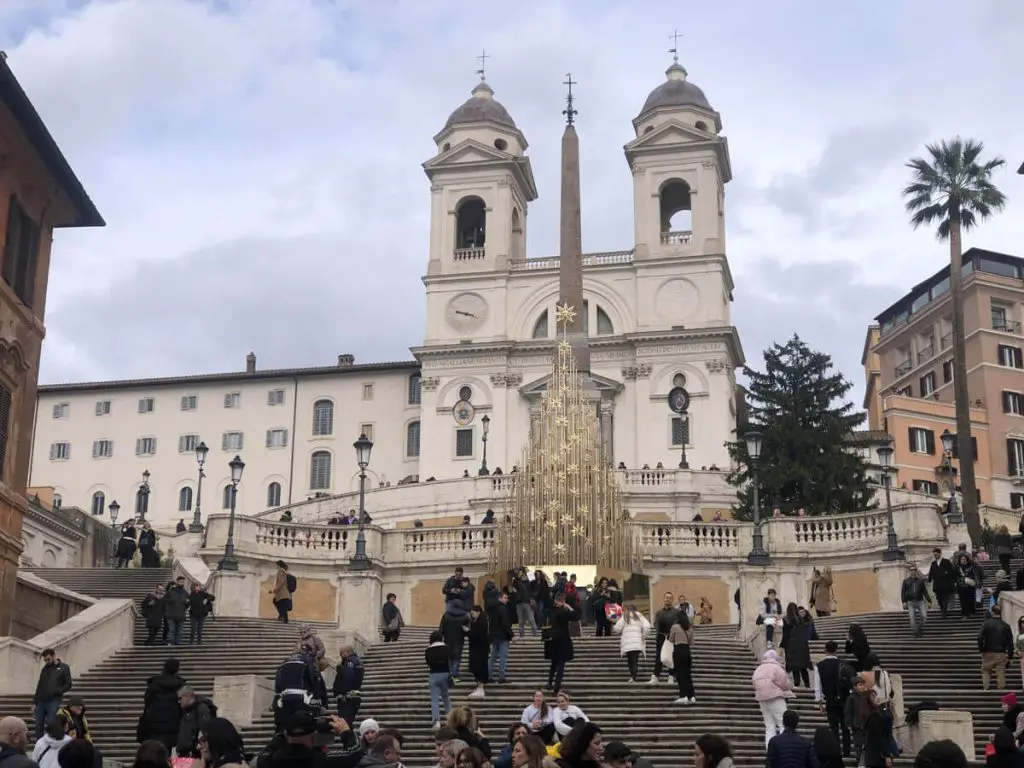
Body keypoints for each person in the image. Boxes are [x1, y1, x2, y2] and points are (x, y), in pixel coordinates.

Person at [260, 711, 364, 768]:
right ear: (314, 735)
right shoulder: (322, 762)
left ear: (286, 734)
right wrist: (345, 731)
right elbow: (354, 752)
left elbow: (267, 751)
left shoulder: (268, 761)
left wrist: (287, 735)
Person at [272, 643, 322, 733]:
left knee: (286, 723)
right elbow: (312, 678)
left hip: (286, 697)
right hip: (302, 697)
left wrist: (278, 696)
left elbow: (278, 681)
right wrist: (316, 696)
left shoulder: (285, 662)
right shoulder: (307, 661)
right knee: (303, 722)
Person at [138, 658, 184, 751]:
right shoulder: (180, 686)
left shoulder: (153, 685)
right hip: (173, 726)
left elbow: (147, 702)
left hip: (154, 726)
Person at [753, 649, 796, 749]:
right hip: (776, 697)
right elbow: (785, 684)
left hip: (762, 698)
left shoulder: (759, 669)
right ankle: (783, 748)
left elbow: (754, 682)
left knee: (769, 726)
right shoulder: (776, 668)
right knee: (783, 724)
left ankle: (770, 750)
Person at [816, 641, 851, 757]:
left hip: (830, 700)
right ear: (836, 650)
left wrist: (820, 703)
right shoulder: (842, 664)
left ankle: (836, 751)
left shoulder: (820, 666)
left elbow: (818, 686)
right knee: (845, 726)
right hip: (844, 700)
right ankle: (847, 751)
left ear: (825, 650)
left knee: (834, 727)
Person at [33, 650, 72, 741]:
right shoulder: (45, 669)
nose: (47, 662)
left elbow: (68, 684)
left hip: (53, 700)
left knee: (51, 723)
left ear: (54, 656)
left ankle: (51, 741)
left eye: (48, 659)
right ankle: (39, 743)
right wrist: (34, 702)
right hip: (41, 701)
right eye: (45, 660)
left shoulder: (64, 668)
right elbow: (40, 685)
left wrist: (57, 691)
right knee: (38, 724)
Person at [544, 593, 578, 694]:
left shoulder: (550, 610)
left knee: (554, 664)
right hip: (562, 641)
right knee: (561, 665)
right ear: (563, 601)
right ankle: (557, 686)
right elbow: (576, 616)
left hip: (551, 641)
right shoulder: (563, 611)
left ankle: (550, 682)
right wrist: (569, 607)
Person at [978, 605, 1014, 691]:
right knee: (1000, 671)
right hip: (1001, 652)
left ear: (992, 612)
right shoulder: (1006, 626)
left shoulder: (986, 624)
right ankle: (1001, 689)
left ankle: (986, 688)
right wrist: (1010, 656)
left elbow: (980, 637)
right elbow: (1010, 642)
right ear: (1001, 612)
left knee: (986, 670)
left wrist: (981, 648)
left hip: (988, 651)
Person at [780, 604, 817, 688]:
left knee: (795, 668)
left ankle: (797, 685)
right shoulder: (801, 620)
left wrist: (782, 646)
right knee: (803, 668)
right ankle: (807, 686)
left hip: (791, 647)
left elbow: (785, 635)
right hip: (802, 647)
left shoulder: (786, 620)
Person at [613, 604, 650, 683]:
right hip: (637, 643)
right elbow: (647, 626)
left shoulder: (625, 616)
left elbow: (617, 628)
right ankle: (633, 677)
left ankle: (632, 677)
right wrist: (643, 636)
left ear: (628, 609)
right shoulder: (640, 616)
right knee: (635, 660)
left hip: (627, 643)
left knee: (630, 660)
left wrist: (615, 625)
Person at [648, 592, 678, 685]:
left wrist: (670, 633)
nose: (668, 599)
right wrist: (660, 631)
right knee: (658, 658)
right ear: (664, 599)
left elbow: (677, 623)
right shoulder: (659, 612)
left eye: (669, 598)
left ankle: (671, 677)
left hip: (671, 638)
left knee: (671, 657)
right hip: (660, 638)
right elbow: (656, 623)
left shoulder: (676, 612)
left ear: (672, 600)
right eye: (666, 597)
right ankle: (655, 677)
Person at [175, 687, 214, 758]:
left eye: (180, 698)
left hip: (194, 754)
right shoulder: (185, 711)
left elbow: (205, 731)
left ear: (187, 696)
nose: (179, 701)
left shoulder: (201, 709)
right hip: (184, 753)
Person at [857, 690, 892, 768]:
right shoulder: (875, 718)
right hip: (878, 757)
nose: (877, 698)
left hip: (871, 756)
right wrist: (886, 755)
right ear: (868, 701)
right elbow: (880, 738)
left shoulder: (868, 717)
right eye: (873, 696)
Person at [669, 610, 696, 705]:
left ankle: (683, 695)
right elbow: (691, 642)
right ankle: (691, 696)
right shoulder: (690, 628)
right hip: (687, 651)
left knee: (680, 674)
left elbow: (671, 639)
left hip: (678, 651)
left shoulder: (675, 627)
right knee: (687, 674)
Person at [426, 630, 452, 729]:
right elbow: (450, 661)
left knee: (434, 700)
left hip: (433, 675)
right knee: (446, 698)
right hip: (445, 674)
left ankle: (436, 721)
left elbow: (428, 663)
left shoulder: (428, 650)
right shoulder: (446, 648)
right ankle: (450, 719)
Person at [334, 645, 364, 727]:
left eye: (341, 653)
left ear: (347, 652)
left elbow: (348, 678)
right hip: (354, 696)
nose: (340, 655)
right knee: (348, 722)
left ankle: (348, 738)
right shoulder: (357, 661)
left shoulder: (349, 662)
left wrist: (342, 694)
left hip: (348, 697)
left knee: (345, 722)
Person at [487, 591, 513, 685]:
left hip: (494, 636)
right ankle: (501, 677)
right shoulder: (503, 609)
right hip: (503, 636)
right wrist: (511, 634)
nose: (507, 600)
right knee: (503, 657)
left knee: (493, 657)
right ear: (500, 598)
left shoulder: (492, 609)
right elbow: (505, 623)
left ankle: (489, 675)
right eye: (505, 598)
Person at [467, 605, 491, 699]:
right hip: (481, 649)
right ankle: (479, 687)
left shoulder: (481, 622)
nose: (472, 615)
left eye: (472, 613)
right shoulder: (483, 620)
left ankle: (480, 687)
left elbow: (477, 635)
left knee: (479, 668)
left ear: (477, 612)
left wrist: (468, 632)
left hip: (479, 650)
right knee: (480, 667)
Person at [901, 565, 931, 637]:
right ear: (909, 572)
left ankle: (919, 628)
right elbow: (903, 592)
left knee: (924, 616)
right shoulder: (906, 581)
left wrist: (929, 601)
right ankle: (916, 632)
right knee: (912, 617)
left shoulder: (920, 581)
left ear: (916, 571)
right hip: (910, 602)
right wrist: (903, 602)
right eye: (911, 570)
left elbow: (925, 591)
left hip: (920, 601)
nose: (913, 572)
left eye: (914, 570)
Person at [927, 548, 956, 618]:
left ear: (940, 554)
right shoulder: (933, 563)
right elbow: (931, 573)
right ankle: (942, 608)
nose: (935, 556)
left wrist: (952, 581)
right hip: (937, 585)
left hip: (945, 584)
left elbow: (951, 572)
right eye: (934, 555)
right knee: (939, 599)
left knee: (945, 598)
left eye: (936, 555)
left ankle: (944, 611)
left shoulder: (946, 561)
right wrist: (929, 580)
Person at [163, 576, 189, 647]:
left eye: (183, 582)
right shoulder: (170, 592)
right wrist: (170, 602)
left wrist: (186, 603)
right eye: (181, 582)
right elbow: (164, 600)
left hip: (181, 615)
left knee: (179, 632)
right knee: (172, 630)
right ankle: (171, 643)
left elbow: (188, 603)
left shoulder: (185, 593)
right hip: (171, 615)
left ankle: (177, 645)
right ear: (177, 582)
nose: (182, 583)